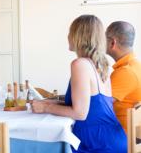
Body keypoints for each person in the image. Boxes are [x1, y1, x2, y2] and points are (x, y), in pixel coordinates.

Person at [31, 15, 127, 152]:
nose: (68, 36)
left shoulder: (80, 64)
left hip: (97, 142)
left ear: (79, 35)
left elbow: (80, 113)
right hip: (110, 137)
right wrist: (47, 103)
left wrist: (45, 108)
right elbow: (90, 104)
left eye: (71, 32)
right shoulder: (100, 65)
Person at [106, 21, 141, 133]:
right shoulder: (135, 66)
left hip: (122, 138)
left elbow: (98, 106)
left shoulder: (125, 72)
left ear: (112, 43)